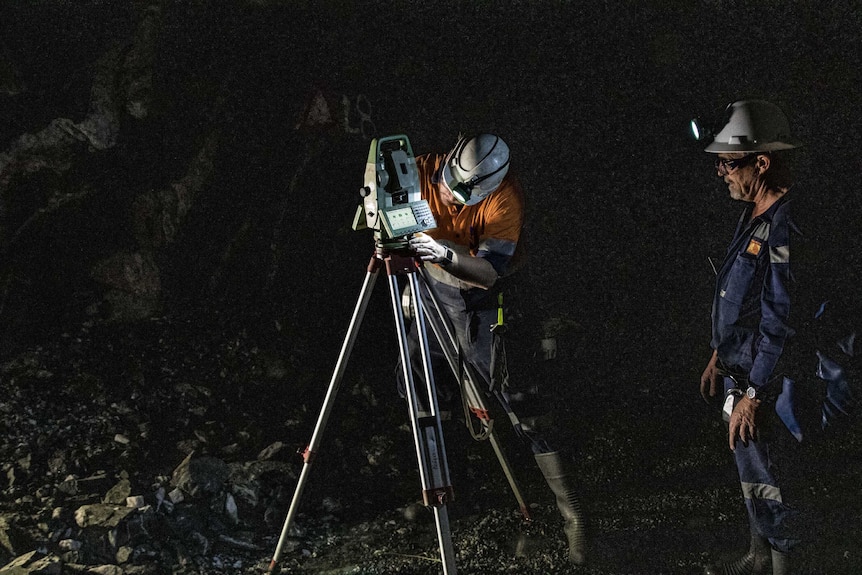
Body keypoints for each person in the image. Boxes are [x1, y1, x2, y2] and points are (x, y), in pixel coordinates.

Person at [402, 133, 587, 565]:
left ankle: (573, 513)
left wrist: (441, 254)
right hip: (428, 294)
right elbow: (378, 172)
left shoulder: (505, 200)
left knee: (520, 398)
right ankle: (450, 492)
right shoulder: (423, 167)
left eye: (467, 193)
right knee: (424, 387)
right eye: (451, 183)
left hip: (483, 300)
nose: (452, 196)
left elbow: (486, 273)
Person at [698, 100, 804, 575]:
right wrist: (718, 355)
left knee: (771, 478)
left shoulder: (786, 223)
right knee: (748, 467)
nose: (721, 172)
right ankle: (756, 556)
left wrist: (756, 394)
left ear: (761, 162)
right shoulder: (754, 212)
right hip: (737, 368)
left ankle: (782, 565)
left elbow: (781, 316)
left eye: (728, 162)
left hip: (765, 381)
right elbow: (739, 297)